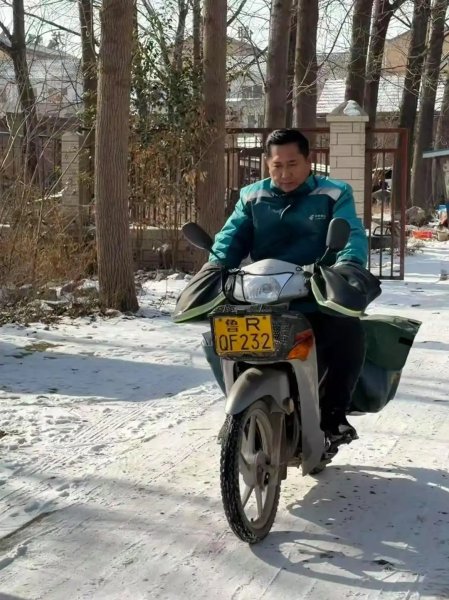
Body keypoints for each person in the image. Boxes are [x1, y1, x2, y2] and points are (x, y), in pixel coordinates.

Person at [208, 128, 368, 441]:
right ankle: (239, 411)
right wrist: (215, 265)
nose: (285, 173)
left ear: (309, 161)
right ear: (267, 164)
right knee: (216, 333)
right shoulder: (252, 196)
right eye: (277, 165)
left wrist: (348, 264)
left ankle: (334, 414)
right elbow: (231, 237)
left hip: (317, 291)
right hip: (261, 292)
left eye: (292, 164)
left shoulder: (334, 193)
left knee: (349, 331)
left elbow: (350, 232)